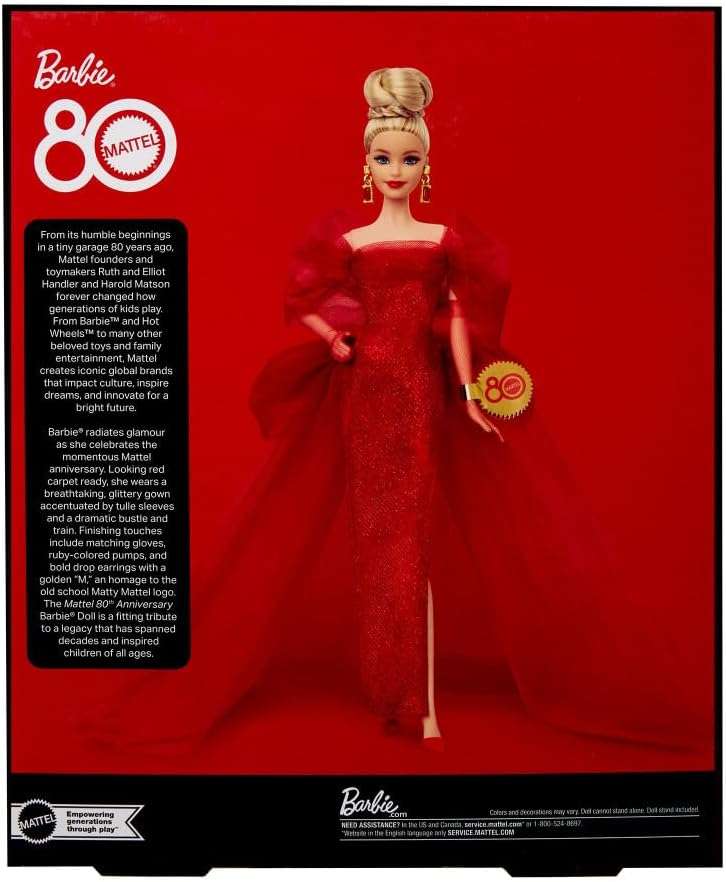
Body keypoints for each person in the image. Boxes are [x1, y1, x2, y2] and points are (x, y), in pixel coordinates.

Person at [78, 67, 709, 758]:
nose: (396, 171)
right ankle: (393, 688)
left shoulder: (444, 242)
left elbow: (458, 318)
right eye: (385, 158)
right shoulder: (350, 244)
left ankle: (422, 705)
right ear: (367, 164)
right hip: (364, 398)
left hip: (420, 397)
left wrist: (468, 394)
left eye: (408, 159)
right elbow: (306, 300)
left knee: (412, 547)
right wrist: (334, 338)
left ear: (426, 165)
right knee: (379, 547)